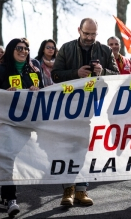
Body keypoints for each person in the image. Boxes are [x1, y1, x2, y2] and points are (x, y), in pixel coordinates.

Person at [51, 18, 118, 206]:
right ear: (79, 30)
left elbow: (118, 76)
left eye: (93, 34)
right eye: (86, 33)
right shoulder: (66, 48)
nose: (89, 37)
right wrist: (75, 73)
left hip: (94, 108)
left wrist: (102, 71)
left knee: (85, 148)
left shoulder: (105, 50)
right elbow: (55, 75)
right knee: (69, 148)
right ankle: (68, 190)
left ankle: (82, 189)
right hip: (69, 107)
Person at [0, 38, 44, 217]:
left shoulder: (35, 71)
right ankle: (11, 199)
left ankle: (4, 198)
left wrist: (38, 92)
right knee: (10, 159)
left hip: (27, 123)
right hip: (6, 124)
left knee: (16, 159)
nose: (23, 51)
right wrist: (4, 95)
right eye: (19, 48)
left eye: (26, 48)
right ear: (11, 50)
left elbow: (44, 95)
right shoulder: (0, 71)